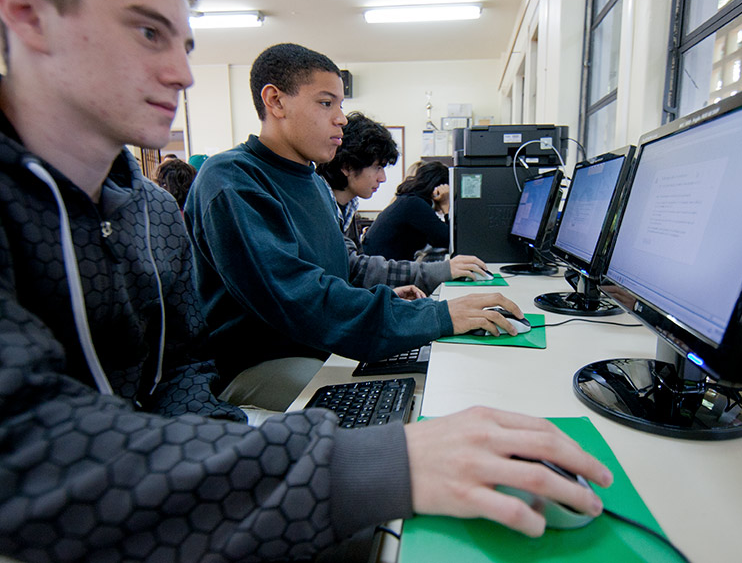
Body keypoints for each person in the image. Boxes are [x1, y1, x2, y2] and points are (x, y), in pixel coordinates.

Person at [0, 0, 613, 558]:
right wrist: (343, 458)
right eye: (146, 31)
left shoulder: (153, 211)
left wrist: (227, 440)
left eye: (185, 47)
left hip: (193, 434)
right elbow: (25, 448)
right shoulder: (231, 182)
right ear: (27, 15)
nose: (184, 75)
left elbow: (185, 367)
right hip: (236, 387)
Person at [185, 43, 527, 411]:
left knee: (443, 376)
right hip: (258, 363)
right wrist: (437, 315)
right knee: (400, 407)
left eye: (341, 105)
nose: (341, 118)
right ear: (276, 101)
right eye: (326, 102)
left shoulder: (313, 182)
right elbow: (298, 296)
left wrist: (389, 304)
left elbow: (340, 268)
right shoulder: (232, 179)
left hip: (316, 341)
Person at [316, 110, 492, 293]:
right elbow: (355, 269)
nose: (382, 178)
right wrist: (444, 269)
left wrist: (386, 296)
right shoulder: (320, 206)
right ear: (347, 166)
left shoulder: (347, 207)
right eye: (378, 167)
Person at [363, 160, 452, 261]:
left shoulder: (408, 200)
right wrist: (446, 206)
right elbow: (447, 240)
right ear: (437, 190)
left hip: (381, 265)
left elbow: (435, 239)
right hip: (384, 270)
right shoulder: (414, 204)